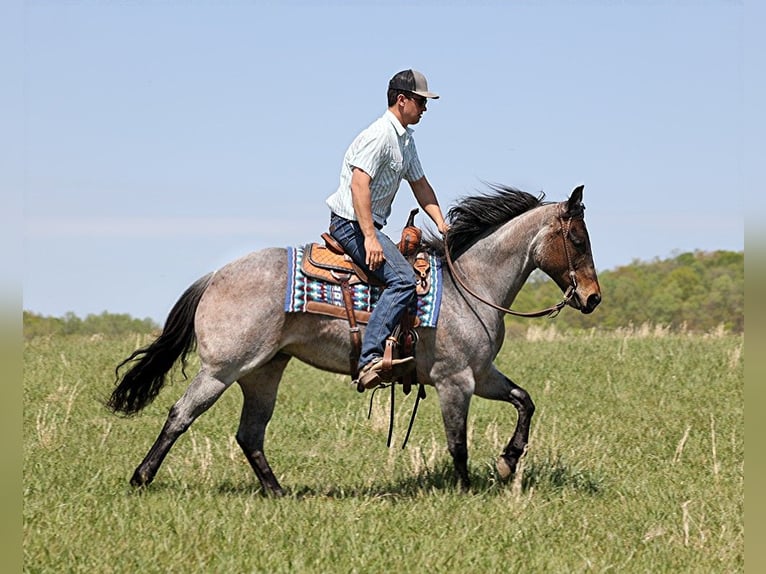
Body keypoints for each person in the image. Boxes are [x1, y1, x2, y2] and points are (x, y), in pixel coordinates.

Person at [326, 69, 450, 389]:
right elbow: (359, 184)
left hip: (367, 223)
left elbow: (420, 185)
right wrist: (369, 237)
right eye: (421, 102)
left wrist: (441, 224)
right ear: (401, 100)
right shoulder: (380, 135)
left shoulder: (405, 140)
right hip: (351, 224)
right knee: (403, 279)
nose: (425, 108)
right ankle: (370, 358)